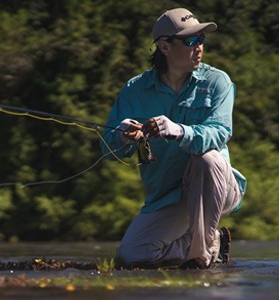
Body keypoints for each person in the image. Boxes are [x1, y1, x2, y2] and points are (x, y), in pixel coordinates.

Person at [100, 8, 247, 269]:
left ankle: (201, 259)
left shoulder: (217, 82)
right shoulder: (135, 90)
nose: (199, 47)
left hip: (217, 186)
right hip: (169, 196)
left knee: (207, 159)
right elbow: (108, 149)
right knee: (131, 257)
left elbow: (220, 132)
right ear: (165, 47)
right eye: (190, 41)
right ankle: (213, 245)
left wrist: (178, 130)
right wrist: (122, 136)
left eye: (201, 39)